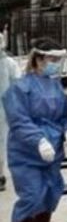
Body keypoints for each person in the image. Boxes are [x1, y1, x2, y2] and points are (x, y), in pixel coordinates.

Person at [3, 39, 67, 222]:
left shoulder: (55, 87)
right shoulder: (19, 89)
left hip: (52, 152)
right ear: (38, 59)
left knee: (49, 199)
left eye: (57, 60)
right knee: (33, 197)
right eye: (51, 60)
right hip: (26, 154)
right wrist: (38, 140)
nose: (55, 65)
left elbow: (63, 116)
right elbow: (19, 121)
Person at [0, 31, 22, 192]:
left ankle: (0, 175)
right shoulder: (8, 63)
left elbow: (17, 85)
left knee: (1, 144)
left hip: (3, 111)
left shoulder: (8, 63)